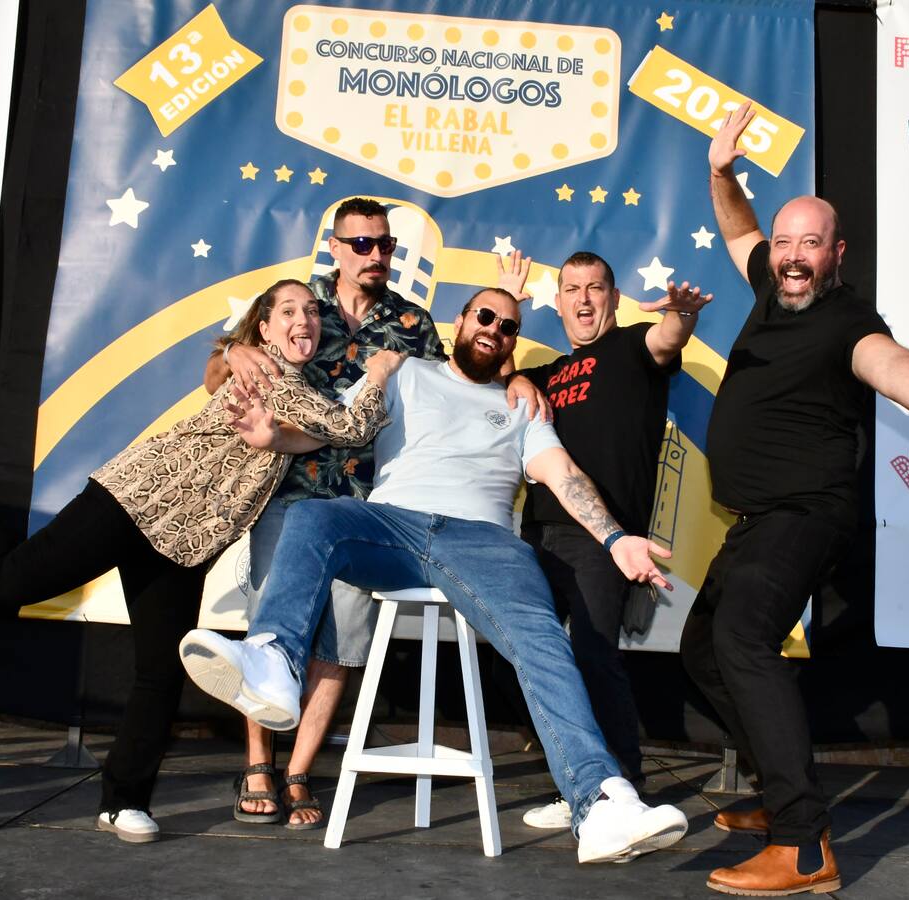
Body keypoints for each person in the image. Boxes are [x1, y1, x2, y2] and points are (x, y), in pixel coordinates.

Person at [179, 288, 690, 864]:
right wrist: (275, 437)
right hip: (392, 526)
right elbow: (334, 428)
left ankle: (600, 803)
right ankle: (275, 658)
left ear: (512, 343)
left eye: (508, 325)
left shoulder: (524, 405)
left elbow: (563, 473)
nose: (494, 329)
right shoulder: (405, 373)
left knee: (543, 641)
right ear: (461, 321)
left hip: (483, 542)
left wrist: (616, 539)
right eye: (485, 316)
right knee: (313, 516)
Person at [683, 102, 909, 895]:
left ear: (836, 254)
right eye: (785, 242)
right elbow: (738, 228)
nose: (793, 256)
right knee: (704, 652)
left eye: (810, 244)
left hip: (807, 511)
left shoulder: (847, 319)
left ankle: (803, 846)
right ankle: (782, 795)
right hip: (758, 521)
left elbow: (894, 364)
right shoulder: (772, 285)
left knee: (741, 638)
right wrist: (720, 172)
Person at [0, 279, 400, 844]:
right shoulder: (266, 371)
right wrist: (380, 372)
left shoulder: (294, 390)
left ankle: (123, 801)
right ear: (265, 328)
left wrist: (289, 425)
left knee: (160, 674)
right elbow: (351, 426)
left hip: (186, 544)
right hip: (133, 504)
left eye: (311, 311)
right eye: (287, 311)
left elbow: (307, 431)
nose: (303, 320)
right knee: (7, 583)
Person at [204, 197, 447, 829]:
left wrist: (515, 377)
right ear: (334, 248)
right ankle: (257, 765)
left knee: (340, 641)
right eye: (361, 243)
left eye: (385, 244)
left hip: (364, 505)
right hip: (286, 496)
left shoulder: (414, 325)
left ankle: (298, 773)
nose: (375, 254)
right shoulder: (295, 306)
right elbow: (215, 374)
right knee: (268, 633)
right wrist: (232, 355)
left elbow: (451, 399)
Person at [497, 250, 711, 829]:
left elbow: (667, 339)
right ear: (559, 302)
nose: (584, 298)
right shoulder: (546, 372)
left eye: (595, 287)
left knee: (594, 655)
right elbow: (498, 372)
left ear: (614, 299)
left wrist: (682, 316)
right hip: (537, 534)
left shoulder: (631, 347)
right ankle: (579, 786)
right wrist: (516, 358)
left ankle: (625, 789)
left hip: (603, 540)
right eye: (572, 289)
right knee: (530, 660)